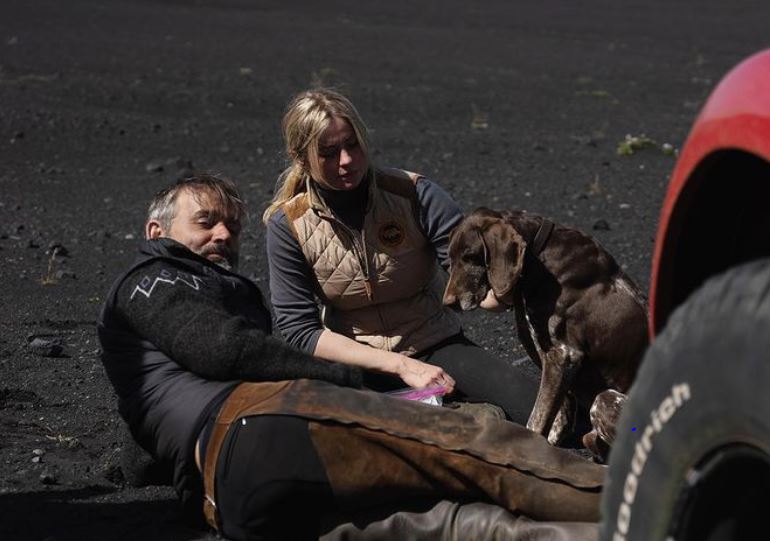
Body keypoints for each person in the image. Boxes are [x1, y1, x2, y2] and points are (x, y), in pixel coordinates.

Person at [98, 174, 603, 540]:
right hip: (263, 428)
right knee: (476, 445)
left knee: (447, 524)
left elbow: (147, 415)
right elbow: (226, 348)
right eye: (205, 222)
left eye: (231, 225)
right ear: (155, 234)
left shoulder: (173, 305)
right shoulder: (155, 279)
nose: (224, 235)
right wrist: (346, 379)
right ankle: (647, 498)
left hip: (227, 501)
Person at [263, 88, 537, 424]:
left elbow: (473, 281)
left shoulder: (414, 195)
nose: (346, 160)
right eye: (329, 153)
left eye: (352, 144)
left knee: (543, 413)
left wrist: (508, 287)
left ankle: (623, 431)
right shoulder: (287, 226)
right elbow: (299, 331)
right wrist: (403, 366)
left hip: (435, 343)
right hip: (354, 361)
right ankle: (472, 419)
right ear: (301, 157)